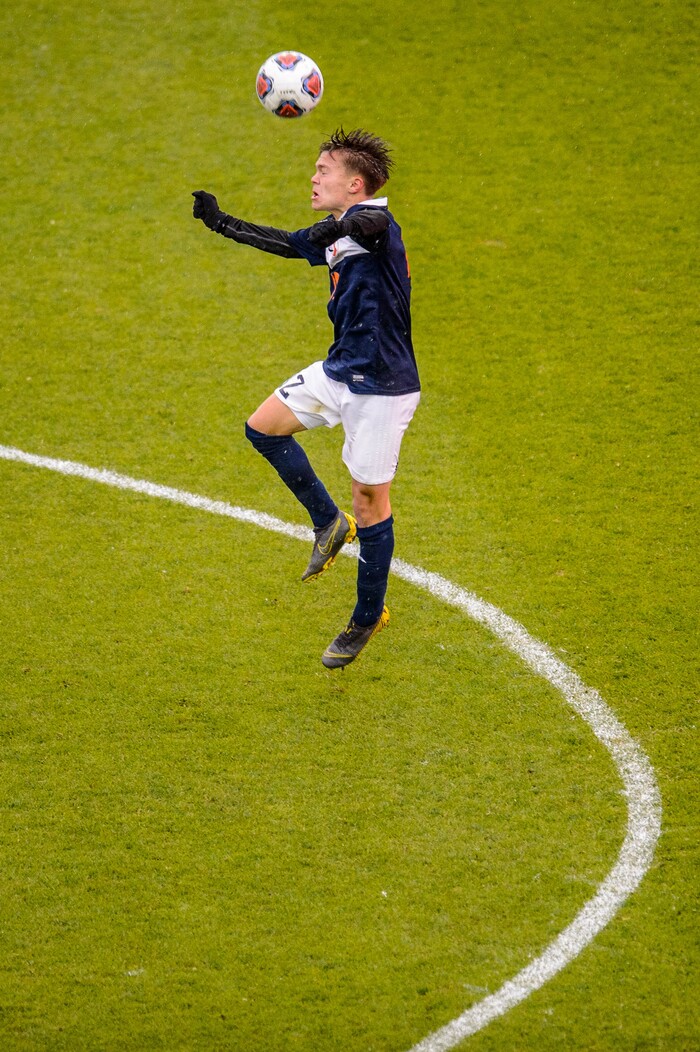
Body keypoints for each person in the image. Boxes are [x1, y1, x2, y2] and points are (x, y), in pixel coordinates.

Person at [192, 128, 420, 668]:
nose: (314, 178)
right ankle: (326, 522)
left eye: (324, 171)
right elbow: (286, 242)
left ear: (355, 183)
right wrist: (220, 223)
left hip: (382, 386)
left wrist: (333, 225)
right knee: (262, 427)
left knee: (370, 499)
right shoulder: (340, 231)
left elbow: (369, 222)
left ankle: (367, 617)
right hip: (340, 371)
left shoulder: (376, 225)